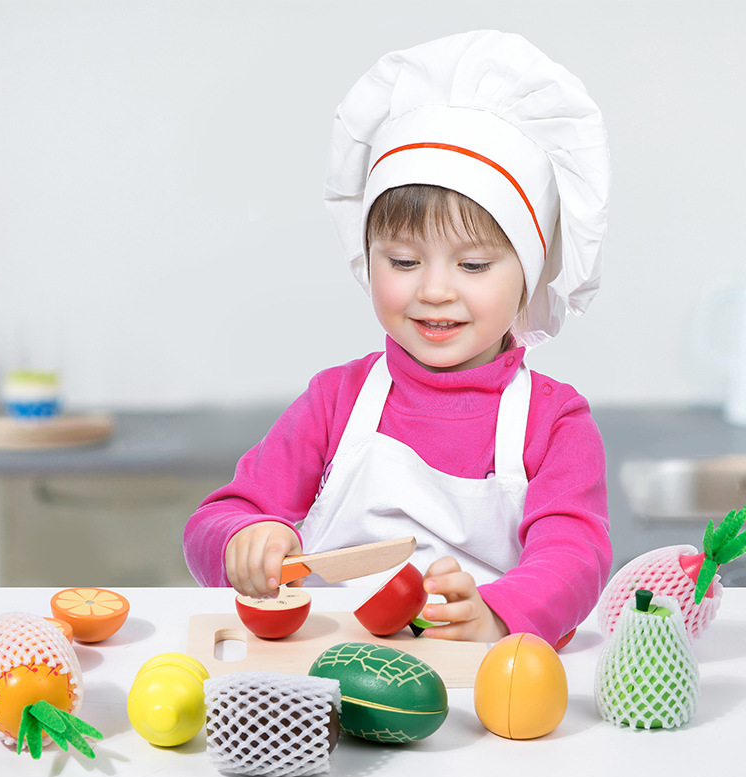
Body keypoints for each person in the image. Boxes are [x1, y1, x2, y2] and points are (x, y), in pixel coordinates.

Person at [184, 30, 612, 645]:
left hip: (479, 682)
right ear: (368, 259)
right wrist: (243, 541)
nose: (434, 291)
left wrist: (496, 614)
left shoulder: (556, 423)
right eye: (404, 261)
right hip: (331, 673)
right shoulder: (336, 401)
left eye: (473, 265)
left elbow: (576, 557)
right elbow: (216, 519)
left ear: (529, 273)